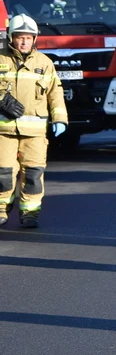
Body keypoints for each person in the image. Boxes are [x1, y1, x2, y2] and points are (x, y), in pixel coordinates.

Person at [0, 15, 69, 228]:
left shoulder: (45, 64)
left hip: (35, 134)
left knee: (33, 175)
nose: (24, 42)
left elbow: (55, 93)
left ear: (34, 39)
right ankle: (2, 208)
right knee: (3, 173)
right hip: (4, 131)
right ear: (11, 37)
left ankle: (30, 213)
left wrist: (60, 119)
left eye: (28, 38)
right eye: (20, 37)